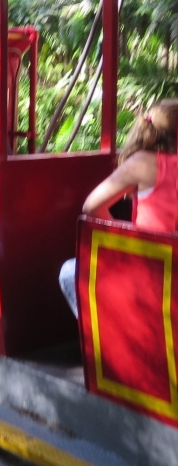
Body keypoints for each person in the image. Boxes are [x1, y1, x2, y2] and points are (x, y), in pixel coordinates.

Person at [59, 99, 178, 316]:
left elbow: (91, 206)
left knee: (69, 270)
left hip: (155, 271)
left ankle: (103, 339)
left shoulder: (144, 163)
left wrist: (126, 234)